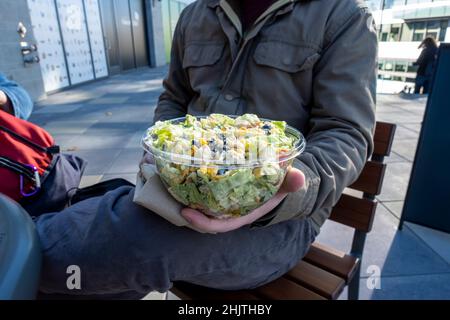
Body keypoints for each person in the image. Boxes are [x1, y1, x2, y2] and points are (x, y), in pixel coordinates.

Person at [35, 0, 377, 299]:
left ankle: (16, 251)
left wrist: (275, 193)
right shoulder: (195, 15)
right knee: (102, 261)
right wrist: (159, 152)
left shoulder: (343, 15)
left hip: (279, 223)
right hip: (184, 188)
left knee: (128, 239)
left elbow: (346, 135)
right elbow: (173, 99)